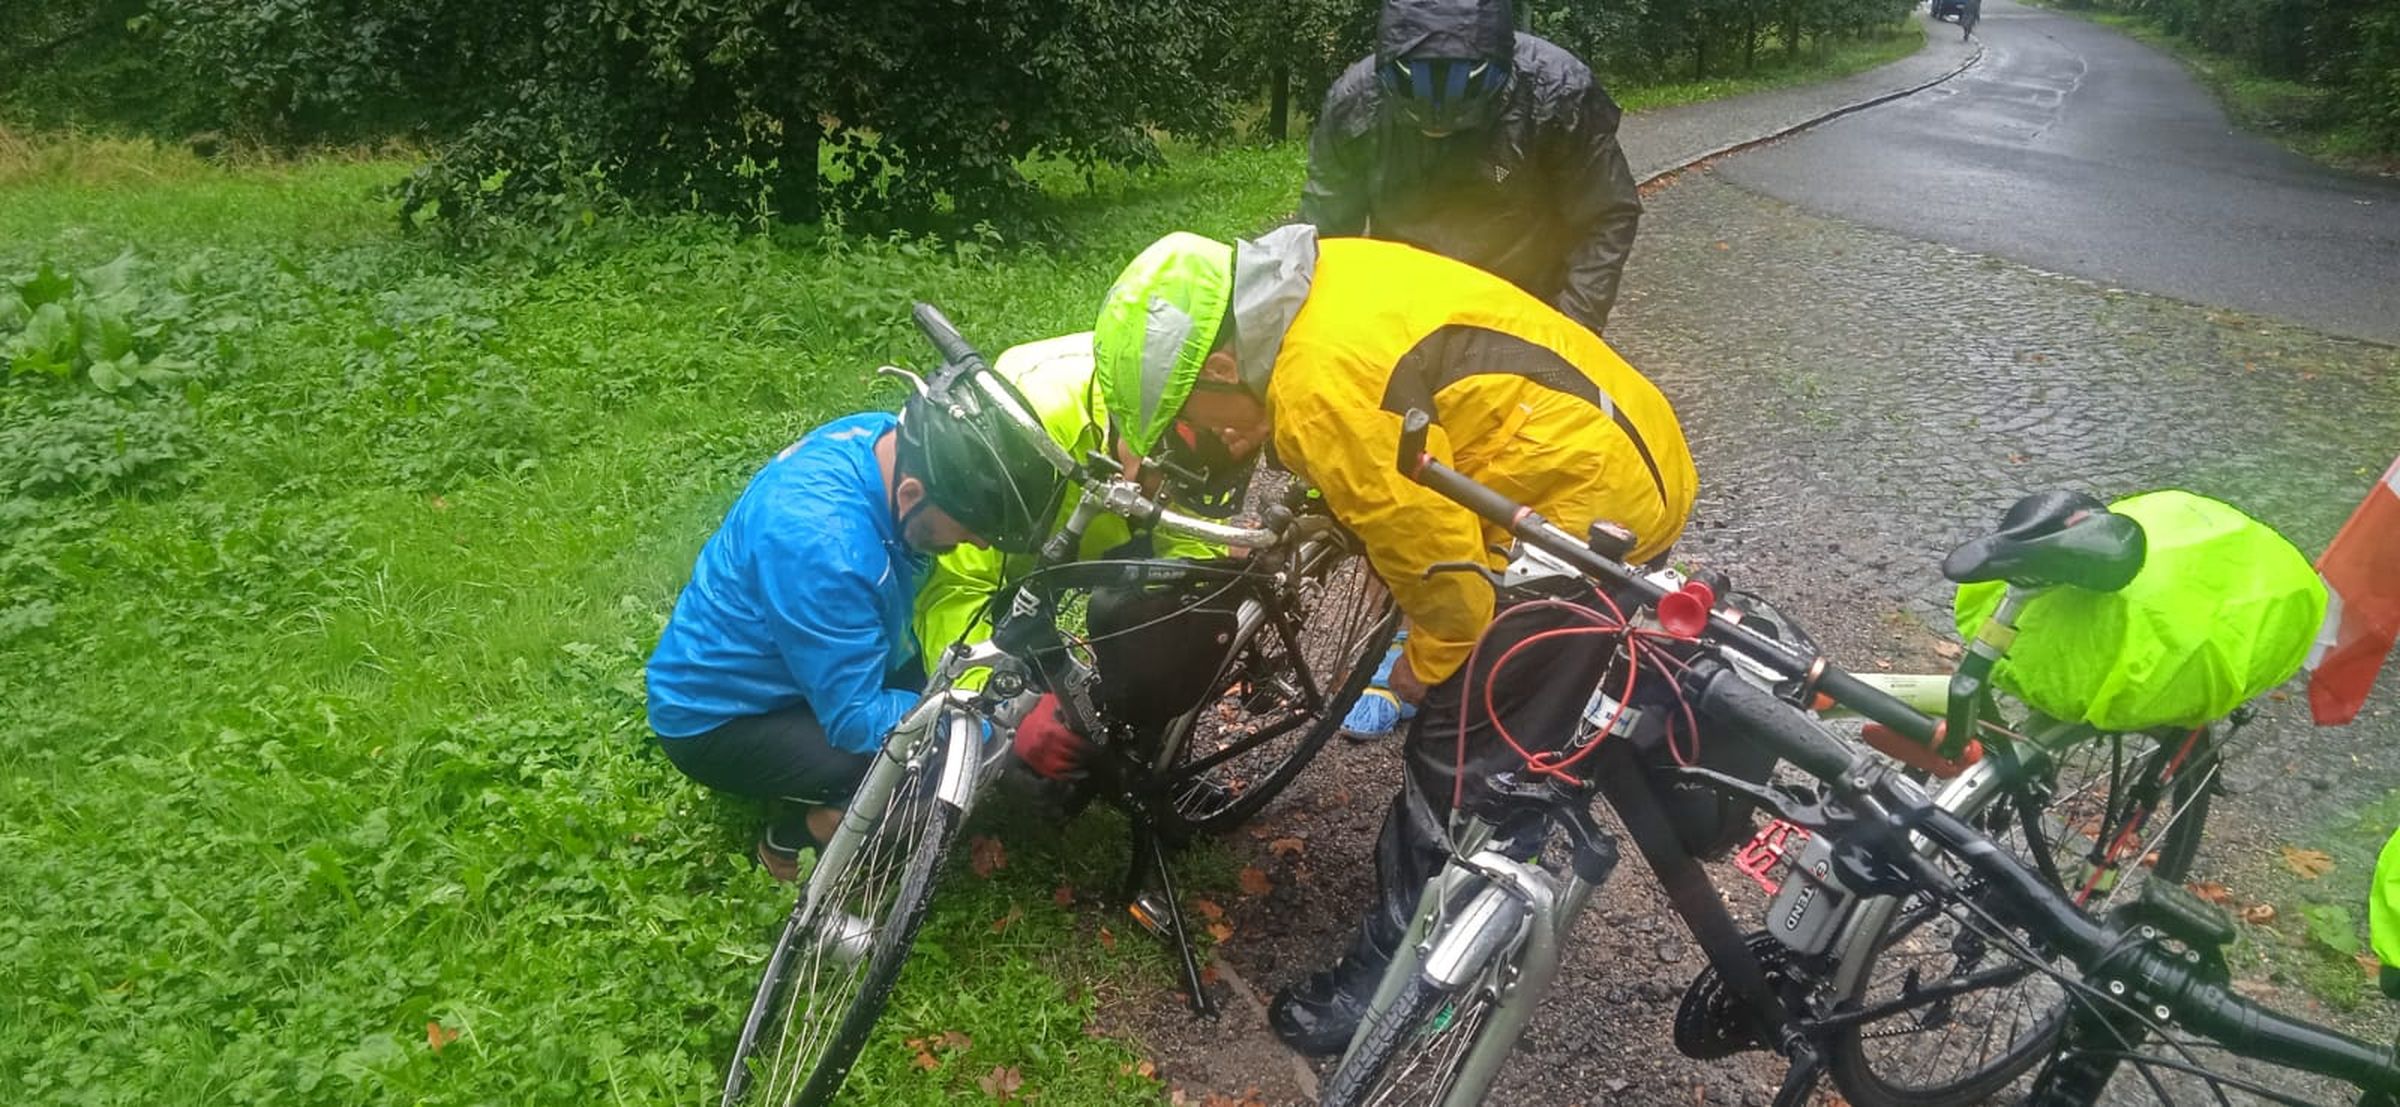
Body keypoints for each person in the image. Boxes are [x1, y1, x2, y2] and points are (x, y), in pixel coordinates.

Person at [1089, 224, 1698, 1054]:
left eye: (1193, 414)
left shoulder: (1318, 389)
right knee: (1458, 643)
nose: (1211, 435)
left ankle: (1405, 976)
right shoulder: (1314, 279)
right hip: (1601, 423)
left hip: (1593, 501)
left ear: (1224, 366)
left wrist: (1418, 670)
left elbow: (1452, 584)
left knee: (1465, 741)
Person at [644, 375, 1066, 881]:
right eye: (968, 528)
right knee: (941, 760)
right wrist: (978, 730)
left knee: (954, 710)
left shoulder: (883, 441)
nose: (977, 543)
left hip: (795, 660)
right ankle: (797, 835)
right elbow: (855, 717)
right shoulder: (828, 553)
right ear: (911, 494)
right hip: (722, 719)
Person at [910, 332, 1232, 782]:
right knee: (1018, 764)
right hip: (1012, 565)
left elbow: (1196, 546)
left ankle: (1140, 752)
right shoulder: (1033, 426)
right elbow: (958, 589)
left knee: (1173, 623)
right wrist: (1004, 707)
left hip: (1100, 529)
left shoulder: (1206, 411)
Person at [1302, 0, 1643, 338]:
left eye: (1458, 119)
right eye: (1421, 121)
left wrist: (1570, 328)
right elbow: (1324, 233)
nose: (1438, 127)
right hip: (1405, 310)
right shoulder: (1358, 103)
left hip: (1528, 305)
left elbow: (1606, 214)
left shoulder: (1556, 92)